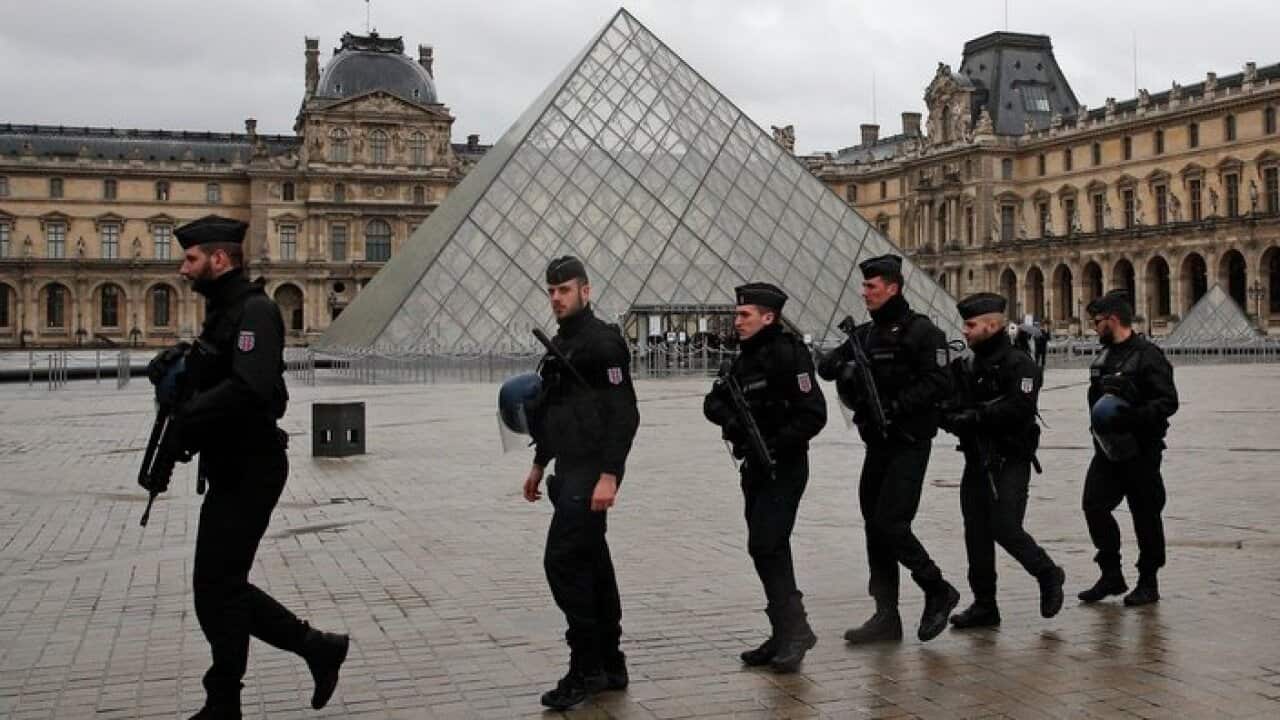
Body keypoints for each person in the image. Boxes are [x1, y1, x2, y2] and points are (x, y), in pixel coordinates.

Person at [142, 215, 348, 719]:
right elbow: (217, 383)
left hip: (253, 468)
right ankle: (295, 660)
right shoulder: (222, 312)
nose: (182, 267)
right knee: (218, 588)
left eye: (191, 259)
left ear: (220, 258)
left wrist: (190, 414)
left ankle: (263, 678)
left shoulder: (255, 311)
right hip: (232, 464)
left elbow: (251, 388)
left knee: (217, 588)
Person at [816, 254, 959, 645]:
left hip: (910, 441)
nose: (864, 293)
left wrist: (897, 407)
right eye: (864, 286)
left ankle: (936, 588)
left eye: (871, 287)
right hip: (876, 444)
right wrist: (841, 367)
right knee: (873, 528)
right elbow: (827, 365)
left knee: (891, 524)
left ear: (892, 288)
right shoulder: (863, 335)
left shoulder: (923, 332)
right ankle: (885, 614)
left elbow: (940, 382)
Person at [522, 256, 640, 710]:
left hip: (591, 471)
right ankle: (609, 662)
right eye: (551, 291)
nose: (556, 298)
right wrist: (538, 464)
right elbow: (555, 410)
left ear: (585, 291)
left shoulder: (603, 344)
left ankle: (586, 666)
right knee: (592, 561)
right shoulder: (562, 343)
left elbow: (624, 414)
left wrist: (610, 475)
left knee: (563, 563)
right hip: (568, 469)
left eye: (564, 290)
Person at [703, 283, 827, 673]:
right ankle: (784, 632)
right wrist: (730, 419)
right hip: (754, 466)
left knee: (767, 543)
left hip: (784, 464)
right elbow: (714, 401)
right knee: (766, 547)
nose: (737, 321)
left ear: (768, 317)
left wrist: (775, 443)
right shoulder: (742, 360)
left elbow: (814, 413)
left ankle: (796, 631)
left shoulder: (790, 356)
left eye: (745, 315)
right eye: (737, 314)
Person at [940, 293, 1065, 629]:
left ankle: (1047, 573)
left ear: (992, 325)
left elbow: (1019, 407)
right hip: (976, 458)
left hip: (1010, 458)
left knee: (1005, 527)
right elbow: (951, 404)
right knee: (975, 533)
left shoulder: (1020, 363)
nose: (964, 331)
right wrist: (950, 417)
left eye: (970, 324)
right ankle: (985, 605)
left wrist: (976, 416)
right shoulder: (965, 364)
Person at [1078, 290, 1178, 606]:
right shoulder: (1104, 357)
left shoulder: (1149, 355)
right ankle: (1111, 575)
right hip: (1107, 449)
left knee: (1145, 514)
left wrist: (1135, 416)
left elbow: (1168, 401)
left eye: (1097, 322)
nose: (1094, 328)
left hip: (1142, 449)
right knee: (1094, 506)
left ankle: (1148, 581)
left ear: (1113, 319)